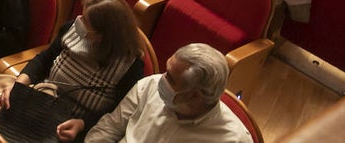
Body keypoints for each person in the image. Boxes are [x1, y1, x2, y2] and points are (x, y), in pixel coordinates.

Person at [0, 0, 145, 138]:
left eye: (86, 22)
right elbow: (43, 59)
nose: (79, 22)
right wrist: (18, 86)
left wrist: (82, 124)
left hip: (69, 123)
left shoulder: (130, 66)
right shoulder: (72, 29)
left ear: (103, 35)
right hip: (41, 98)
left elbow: (116, 115)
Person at [83, 43, 252, 143]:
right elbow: (109, 128)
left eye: (170, 78)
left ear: (194, 95)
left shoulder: (233, 139)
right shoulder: (150, 85)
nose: (161, 78)